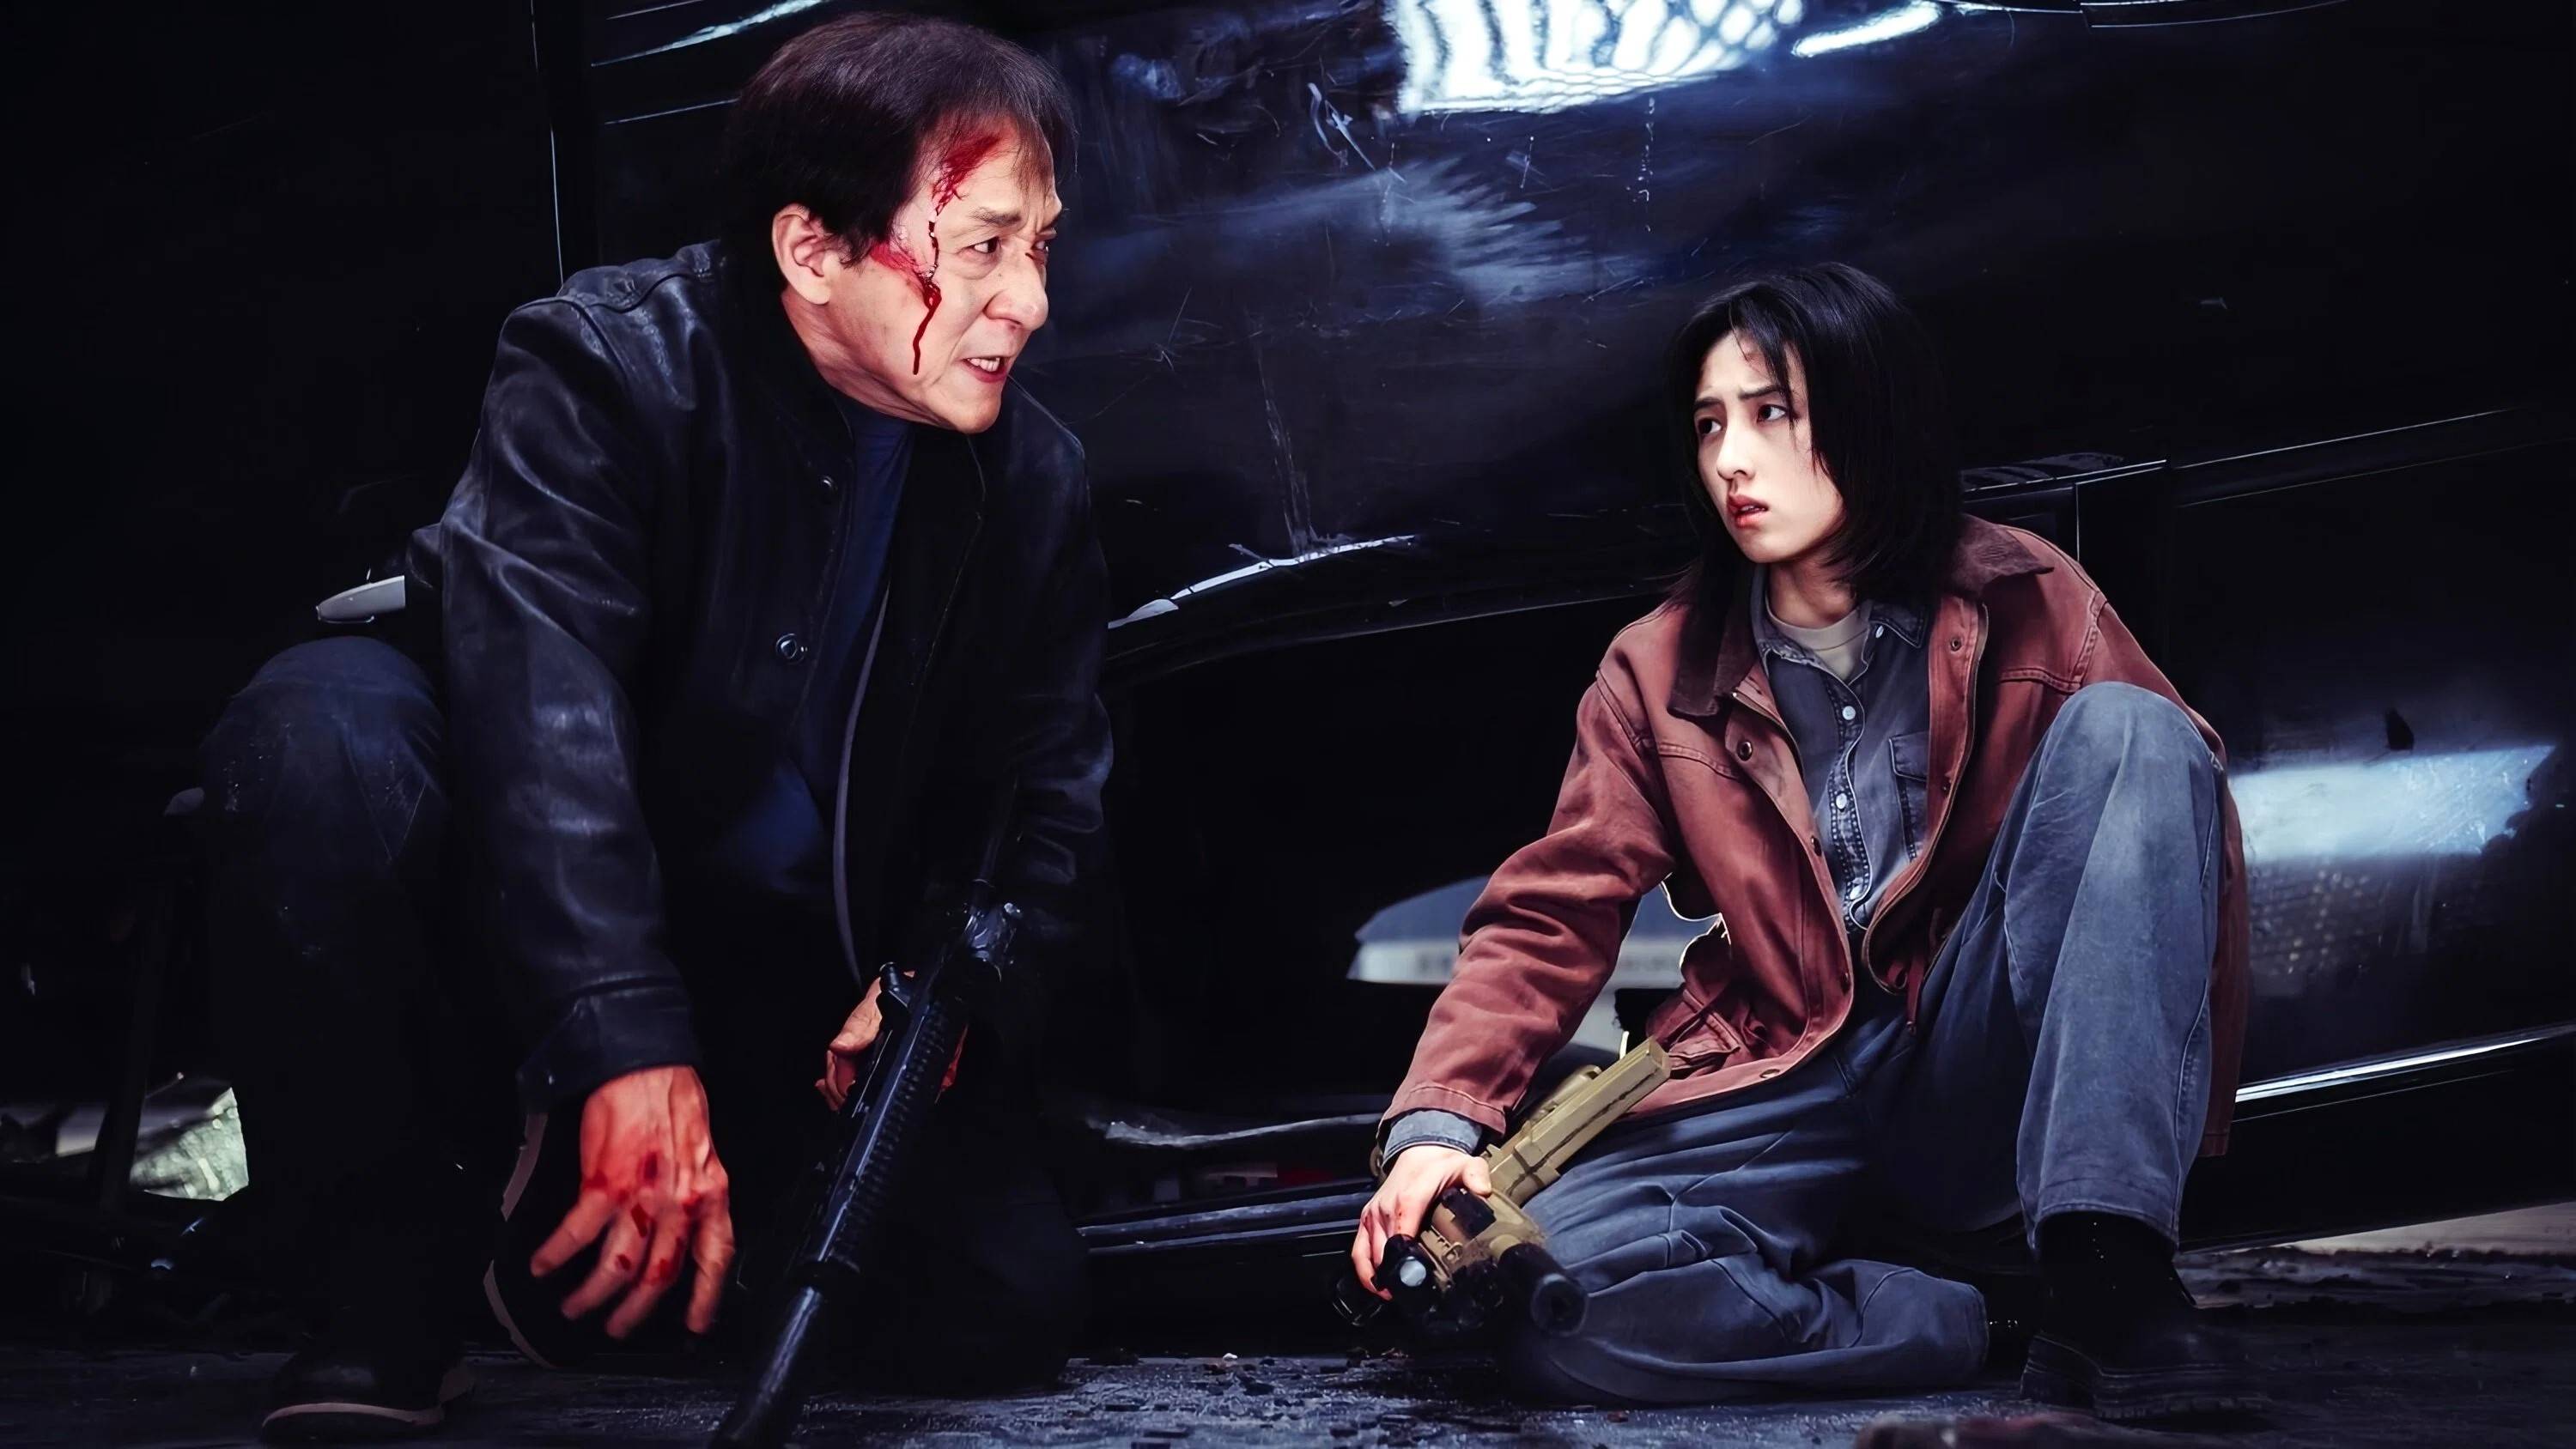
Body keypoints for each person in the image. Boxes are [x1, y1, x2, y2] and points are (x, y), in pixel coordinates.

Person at [200, 15, 1109, 1438]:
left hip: (763, 971)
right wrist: (619, 1038)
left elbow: (1044, 792)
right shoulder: (607, 366)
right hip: (525, 924)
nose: (1031, 302)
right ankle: (380, 1292)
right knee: (320, 746)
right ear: (812, 251)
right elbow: (541, 714)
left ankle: (560, 1225)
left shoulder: (1029, 480)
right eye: (984, 246)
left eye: (1041, 247)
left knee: (1001, 1305)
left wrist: (944, 977)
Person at [1349, 264, 2257, 1421]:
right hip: (1779, 1078)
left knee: (2138, 734)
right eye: (1709, 424)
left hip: (1971, 1058)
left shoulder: (2035, 601)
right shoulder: (1656, 668)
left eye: (1771, 412)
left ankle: (2107, 1278)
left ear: (1872, 413)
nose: (1733, 458)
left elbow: (2169, 845)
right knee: (1544, 1310)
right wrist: (1439, 1126)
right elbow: (1554, 908)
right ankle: (1964, 1315)